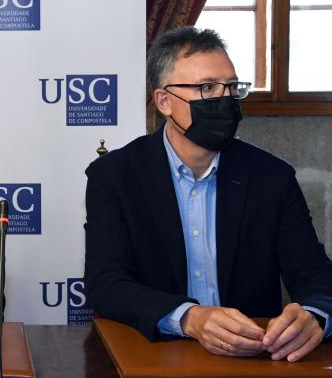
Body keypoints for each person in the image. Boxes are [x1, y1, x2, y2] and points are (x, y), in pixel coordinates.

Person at [84, 26, 332, 362]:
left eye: (232, 87)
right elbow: (106, 283)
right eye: (207, 88)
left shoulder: (272, 177)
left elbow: (314, 273)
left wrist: (315, 315)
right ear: (165, 101)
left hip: (252, 356)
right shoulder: (115, 176)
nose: (225, 100)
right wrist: (189, 318)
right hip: (154, 355)